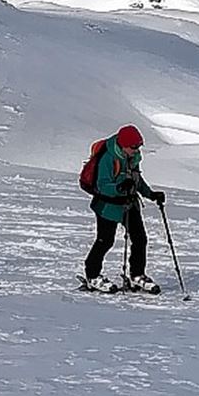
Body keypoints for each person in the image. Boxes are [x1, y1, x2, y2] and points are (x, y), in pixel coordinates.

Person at [83, 124, 165, 293]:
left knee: (140, 239)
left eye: (138, 146)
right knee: (105, 240)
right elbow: (102, 185)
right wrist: (120, 188)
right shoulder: (108, 158)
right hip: (108, 206)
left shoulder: (132, 158)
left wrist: (151, 194)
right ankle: (92, 275)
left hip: (129, 203)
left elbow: (137, 180)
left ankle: (137, 275)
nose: (136, 150)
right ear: (123, 144)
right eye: (133, 147)